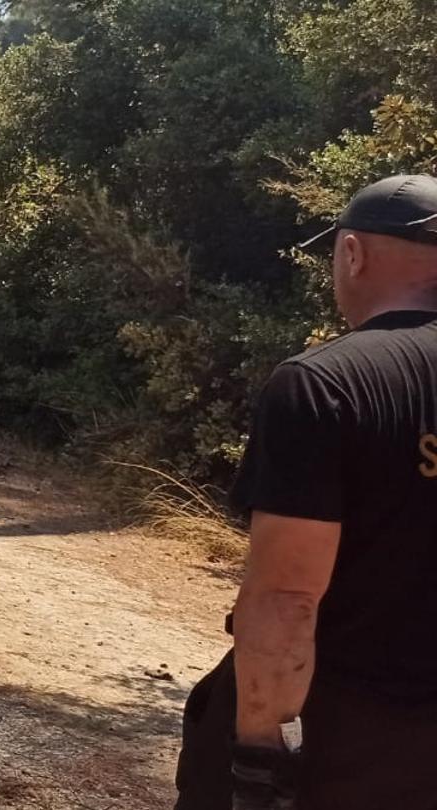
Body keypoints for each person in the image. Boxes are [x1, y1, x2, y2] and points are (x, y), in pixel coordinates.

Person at [175, 174, 437, 810]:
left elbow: (288, 598)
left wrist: (256, 763)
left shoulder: (325, 385)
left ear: (353, 253)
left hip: (344, 742)